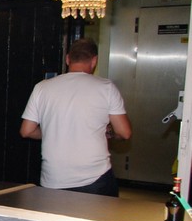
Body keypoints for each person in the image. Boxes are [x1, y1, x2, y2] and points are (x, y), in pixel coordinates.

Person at [20, 38, 132, 197]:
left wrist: (55, 131)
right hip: (95, 178)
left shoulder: (42, 87)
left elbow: (26, 131)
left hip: (53, 179)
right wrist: (110, 133)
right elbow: (124, 132)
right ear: (94, 61)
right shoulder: (106, 87)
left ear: (68, 59)